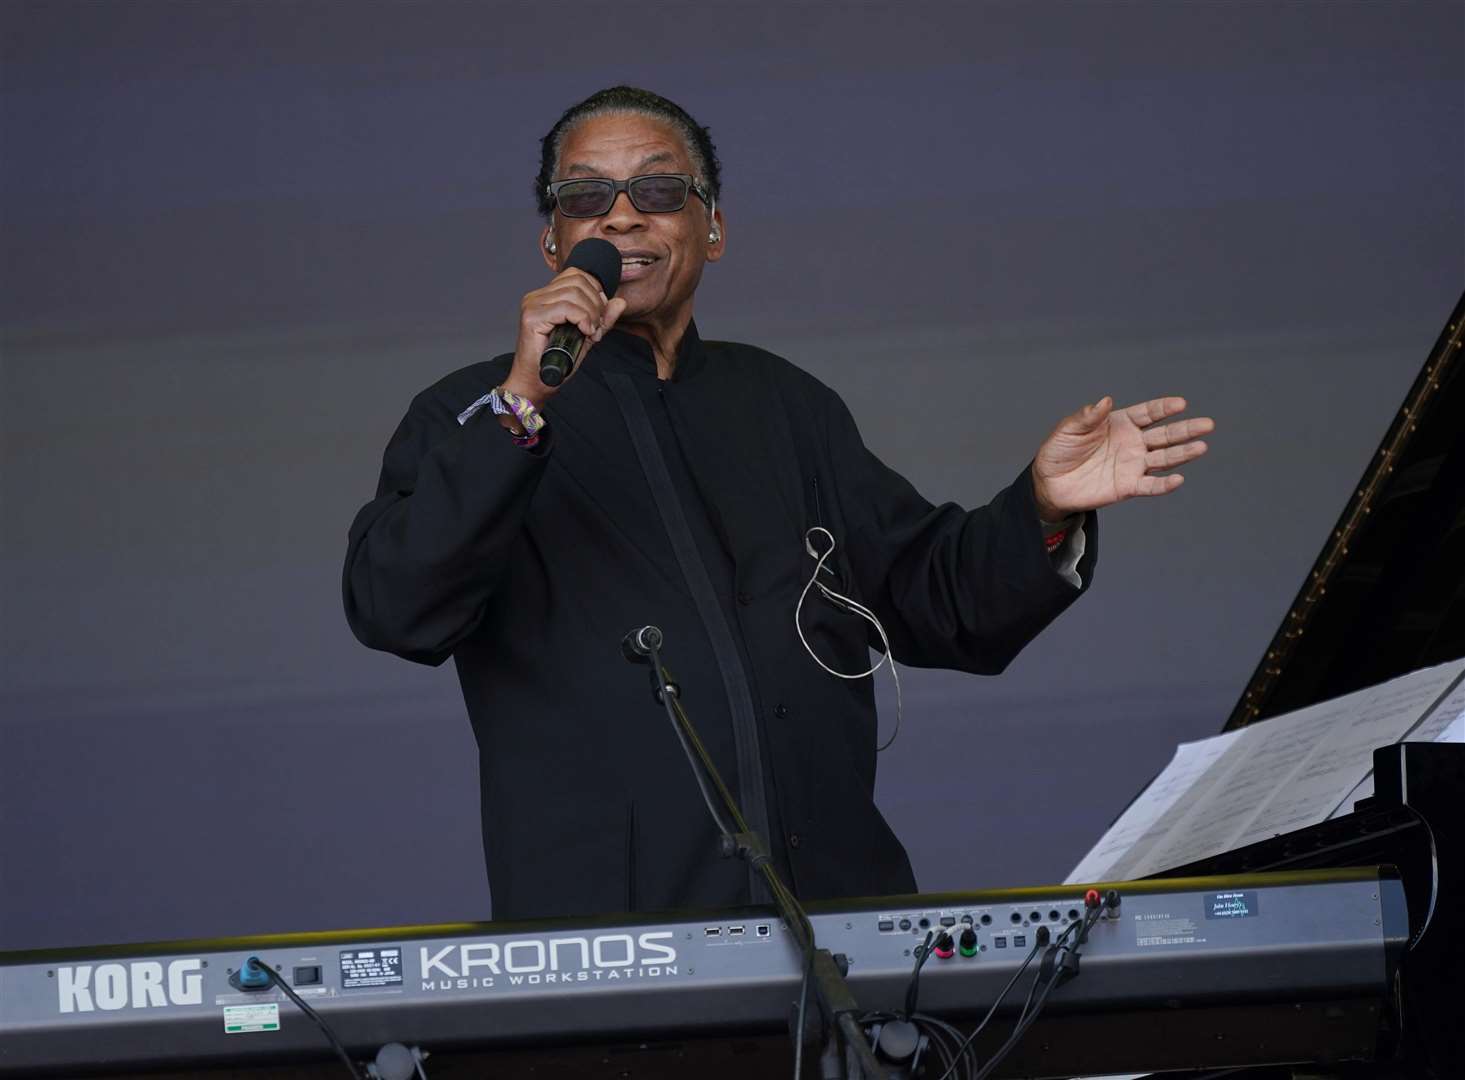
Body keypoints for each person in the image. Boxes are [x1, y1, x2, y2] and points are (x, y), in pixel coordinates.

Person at [342, 87, 1212, 921]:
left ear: (711, 227)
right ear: (553, 245)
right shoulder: (474, 411)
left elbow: (932, 596)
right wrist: (524, 398)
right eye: (585, 196)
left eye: (657, 188)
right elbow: (396, 607)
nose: (620, 216)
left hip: (833, 916)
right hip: (616, 935)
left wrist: (1042, 506)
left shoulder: (784, 405)